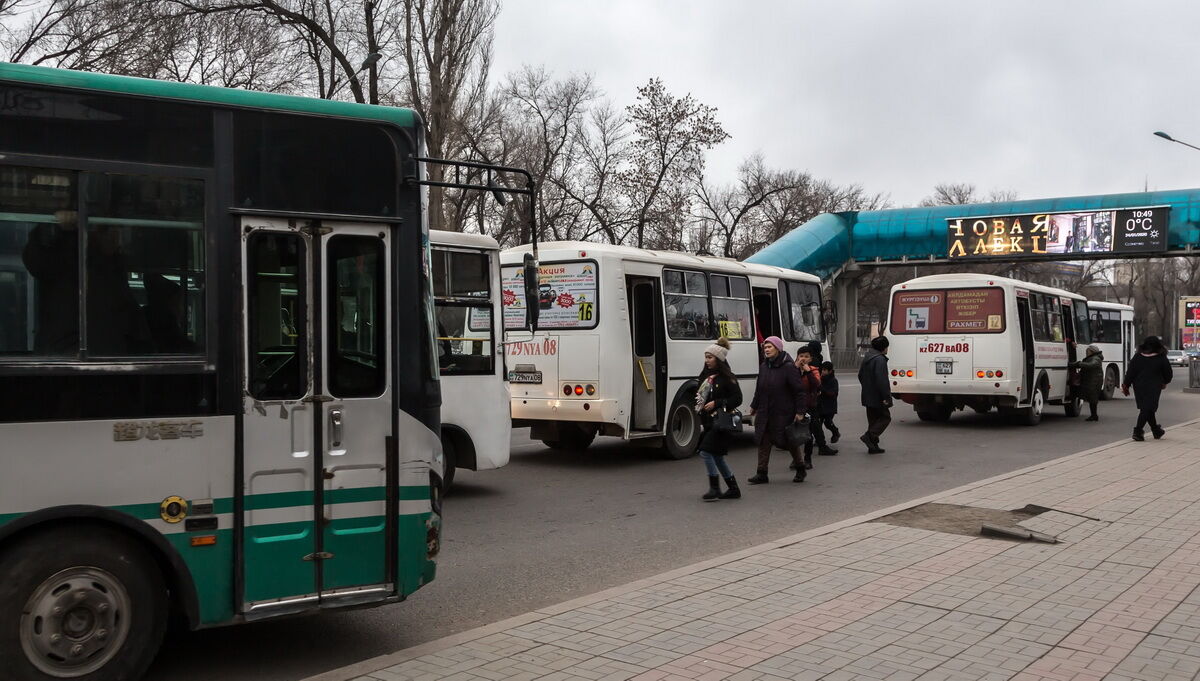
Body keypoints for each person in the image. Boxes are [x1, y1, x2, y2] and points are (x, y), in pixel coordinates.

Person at [748, 336, 807, 484]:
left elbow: (799, 391)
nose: (766, 350)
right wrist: (754, 406)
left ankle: (800, 468)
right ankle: (761, 473)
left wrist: (800, 412)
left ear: (778, 348)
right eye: (765, 347)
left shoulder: (788, 367)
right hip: (765, 411)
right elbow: (759, 389)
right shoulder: (763, 366)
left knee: (788, 441)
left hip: (783, 411)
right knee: (763, 440)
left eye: (770, 347)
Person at [694, 338, 743, 501]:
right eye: (706, 357)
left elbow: (738, 398)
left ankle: (714, 488)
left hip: (722, 422)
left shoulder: (727, 377)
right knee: (717, 456)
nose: (707, 360)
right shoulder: (705, 376)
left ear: (719, 359)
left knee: (705, 452)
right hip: (709, 421)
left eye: (710, 357)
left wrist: (717, 402)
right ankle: (733, 488)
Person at [1122, 336, 1173, 441]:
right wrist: (1165, 382)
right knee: (1147, 408)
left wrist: (1126, 384)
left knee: (1147, 408)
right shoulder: (1161, 357)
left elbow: (1130, 372)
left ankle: (1156, 430)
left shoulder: (1137, 357)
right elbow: (1168, 373)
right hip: (1154, 387)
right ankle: (1137, 431)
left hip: (1139, 386)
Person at [794, 343, 836, 469]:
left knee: (808, 434)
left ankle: (807, 458)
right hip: (795, 407)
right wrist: (796, 370)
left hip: (810, 406)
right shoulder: (792, 369)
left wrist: (807, 372)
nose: (803, 359)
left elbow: (817, 385)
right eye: (801, 356)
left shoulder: (813, 370)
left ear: (810, 359)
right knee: (794, 435)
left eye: (806, 356)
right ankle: (796, 458)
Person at [858, 336, 892, 454]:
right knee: (885, 418)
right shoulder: (880, 360)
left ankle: (873, 446)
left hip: (867, 394)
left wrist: (867, 388)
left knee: (873, 421)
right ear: (884, 347)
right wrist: (886, 397)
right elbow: (882, 381)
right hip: (877, 396)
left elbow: (860, 375)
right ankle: (869, 436)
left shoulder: (868, 357)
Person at [1069, 344, 1104, 422]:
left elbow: (1091, 365)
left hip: (1094, 382)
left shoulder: (1096, 359)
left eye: (1087, 351)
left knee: (1093, 399)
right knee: (1092, 399)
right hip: (1091, 381)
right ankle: (1094, 415)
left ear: (1092, 351)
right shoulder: (1093, 358)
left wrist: (1079, 364)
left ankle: (1094, 415)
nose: (1086, 352)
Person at [818, 361, 841, 445]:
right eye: (822, 370)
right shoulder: (820, 378)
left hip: (830, 405)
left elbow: (833, 394)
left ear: (830, 371)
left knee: (828, 422)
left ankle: (835, 432)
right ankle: (819, 440)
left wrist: (822, 389)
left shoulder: (833, 381)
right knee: (817, 424)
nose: (823, 372)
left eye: (825, 370)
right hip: (820, 404)